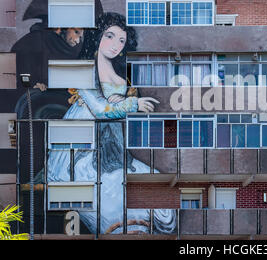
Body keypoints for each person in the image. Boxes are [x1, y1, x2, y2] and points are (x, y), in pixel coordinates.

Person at [47, 12, 176, 234]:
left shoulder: (121, 81)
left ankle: (138, 229)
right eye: (110, 36)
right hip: (78, 154)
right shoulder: (83, 73)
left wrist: (122, 106)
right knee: (109, 193)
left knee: (155, 184)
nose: (115, 44)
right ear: (98, 37)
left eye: (121, 40)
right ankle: (122, 229)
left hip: (111, 150)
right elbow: (100, 110)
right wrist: (130, 105)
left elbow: (114, 115)